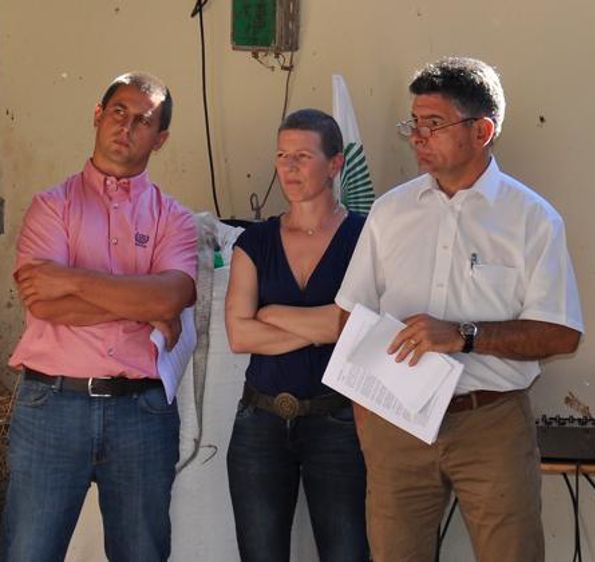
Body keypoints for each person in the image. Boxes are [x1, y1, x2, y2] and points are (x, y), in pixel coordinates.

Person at [335, 56, 584, 562]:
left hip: (489, 422)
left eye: (433, 123)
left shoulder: (532, 219)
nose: (417, 136)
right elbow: (350, 317)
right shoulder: (389, 211)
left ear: (483, 130)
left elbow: (561, 335)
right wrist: (367, 417)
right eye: (414, 123)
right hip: (395, 424)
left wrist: (464, 335)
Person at [2, 72, 197, 562]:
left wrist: (70, 278)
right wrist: (143, 304)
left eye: (143, 121)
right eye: (118, 112)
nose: (126, 127)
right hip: (51, 405)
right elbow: (41, 302)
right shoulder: (52, 205)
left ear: (162, 138)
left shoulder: (174, 218)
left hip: (142, 413)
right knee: (29, 551)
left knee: (141, 553)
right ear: (97, 115)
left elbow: (173, 297)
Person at [224, 108, 368, 561]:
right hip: (260, 422)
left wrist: (272, 312)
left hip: (340, 421)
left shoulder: (366, 238)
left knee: (348, 552)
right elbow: (239, 336)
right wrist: (327, 327)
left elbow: (359, 330)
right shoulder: (255, 242)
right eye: (282, 155)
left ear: (335, 163)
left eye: (302, 156)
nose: (288, 167)